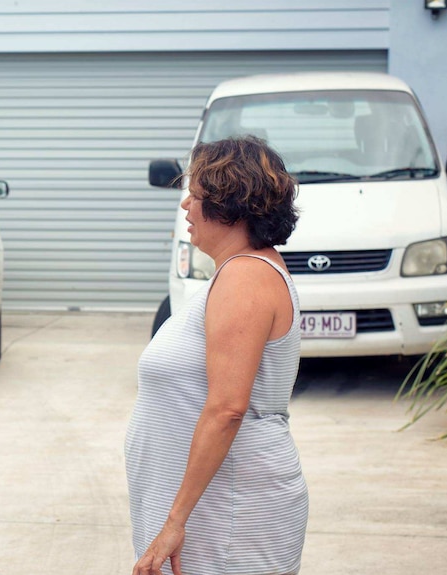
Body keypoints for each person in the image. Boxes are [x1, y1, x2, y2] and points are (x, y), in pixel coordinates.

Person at [125, 136, 307, 575]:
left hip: (229, 516)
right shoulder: (235, 273)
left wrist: (174, 521)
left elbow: (227, 407)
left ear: (229, 204)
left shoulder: (246, 277)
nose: (186, 204)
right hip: (214, 508)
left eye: (197, 193)